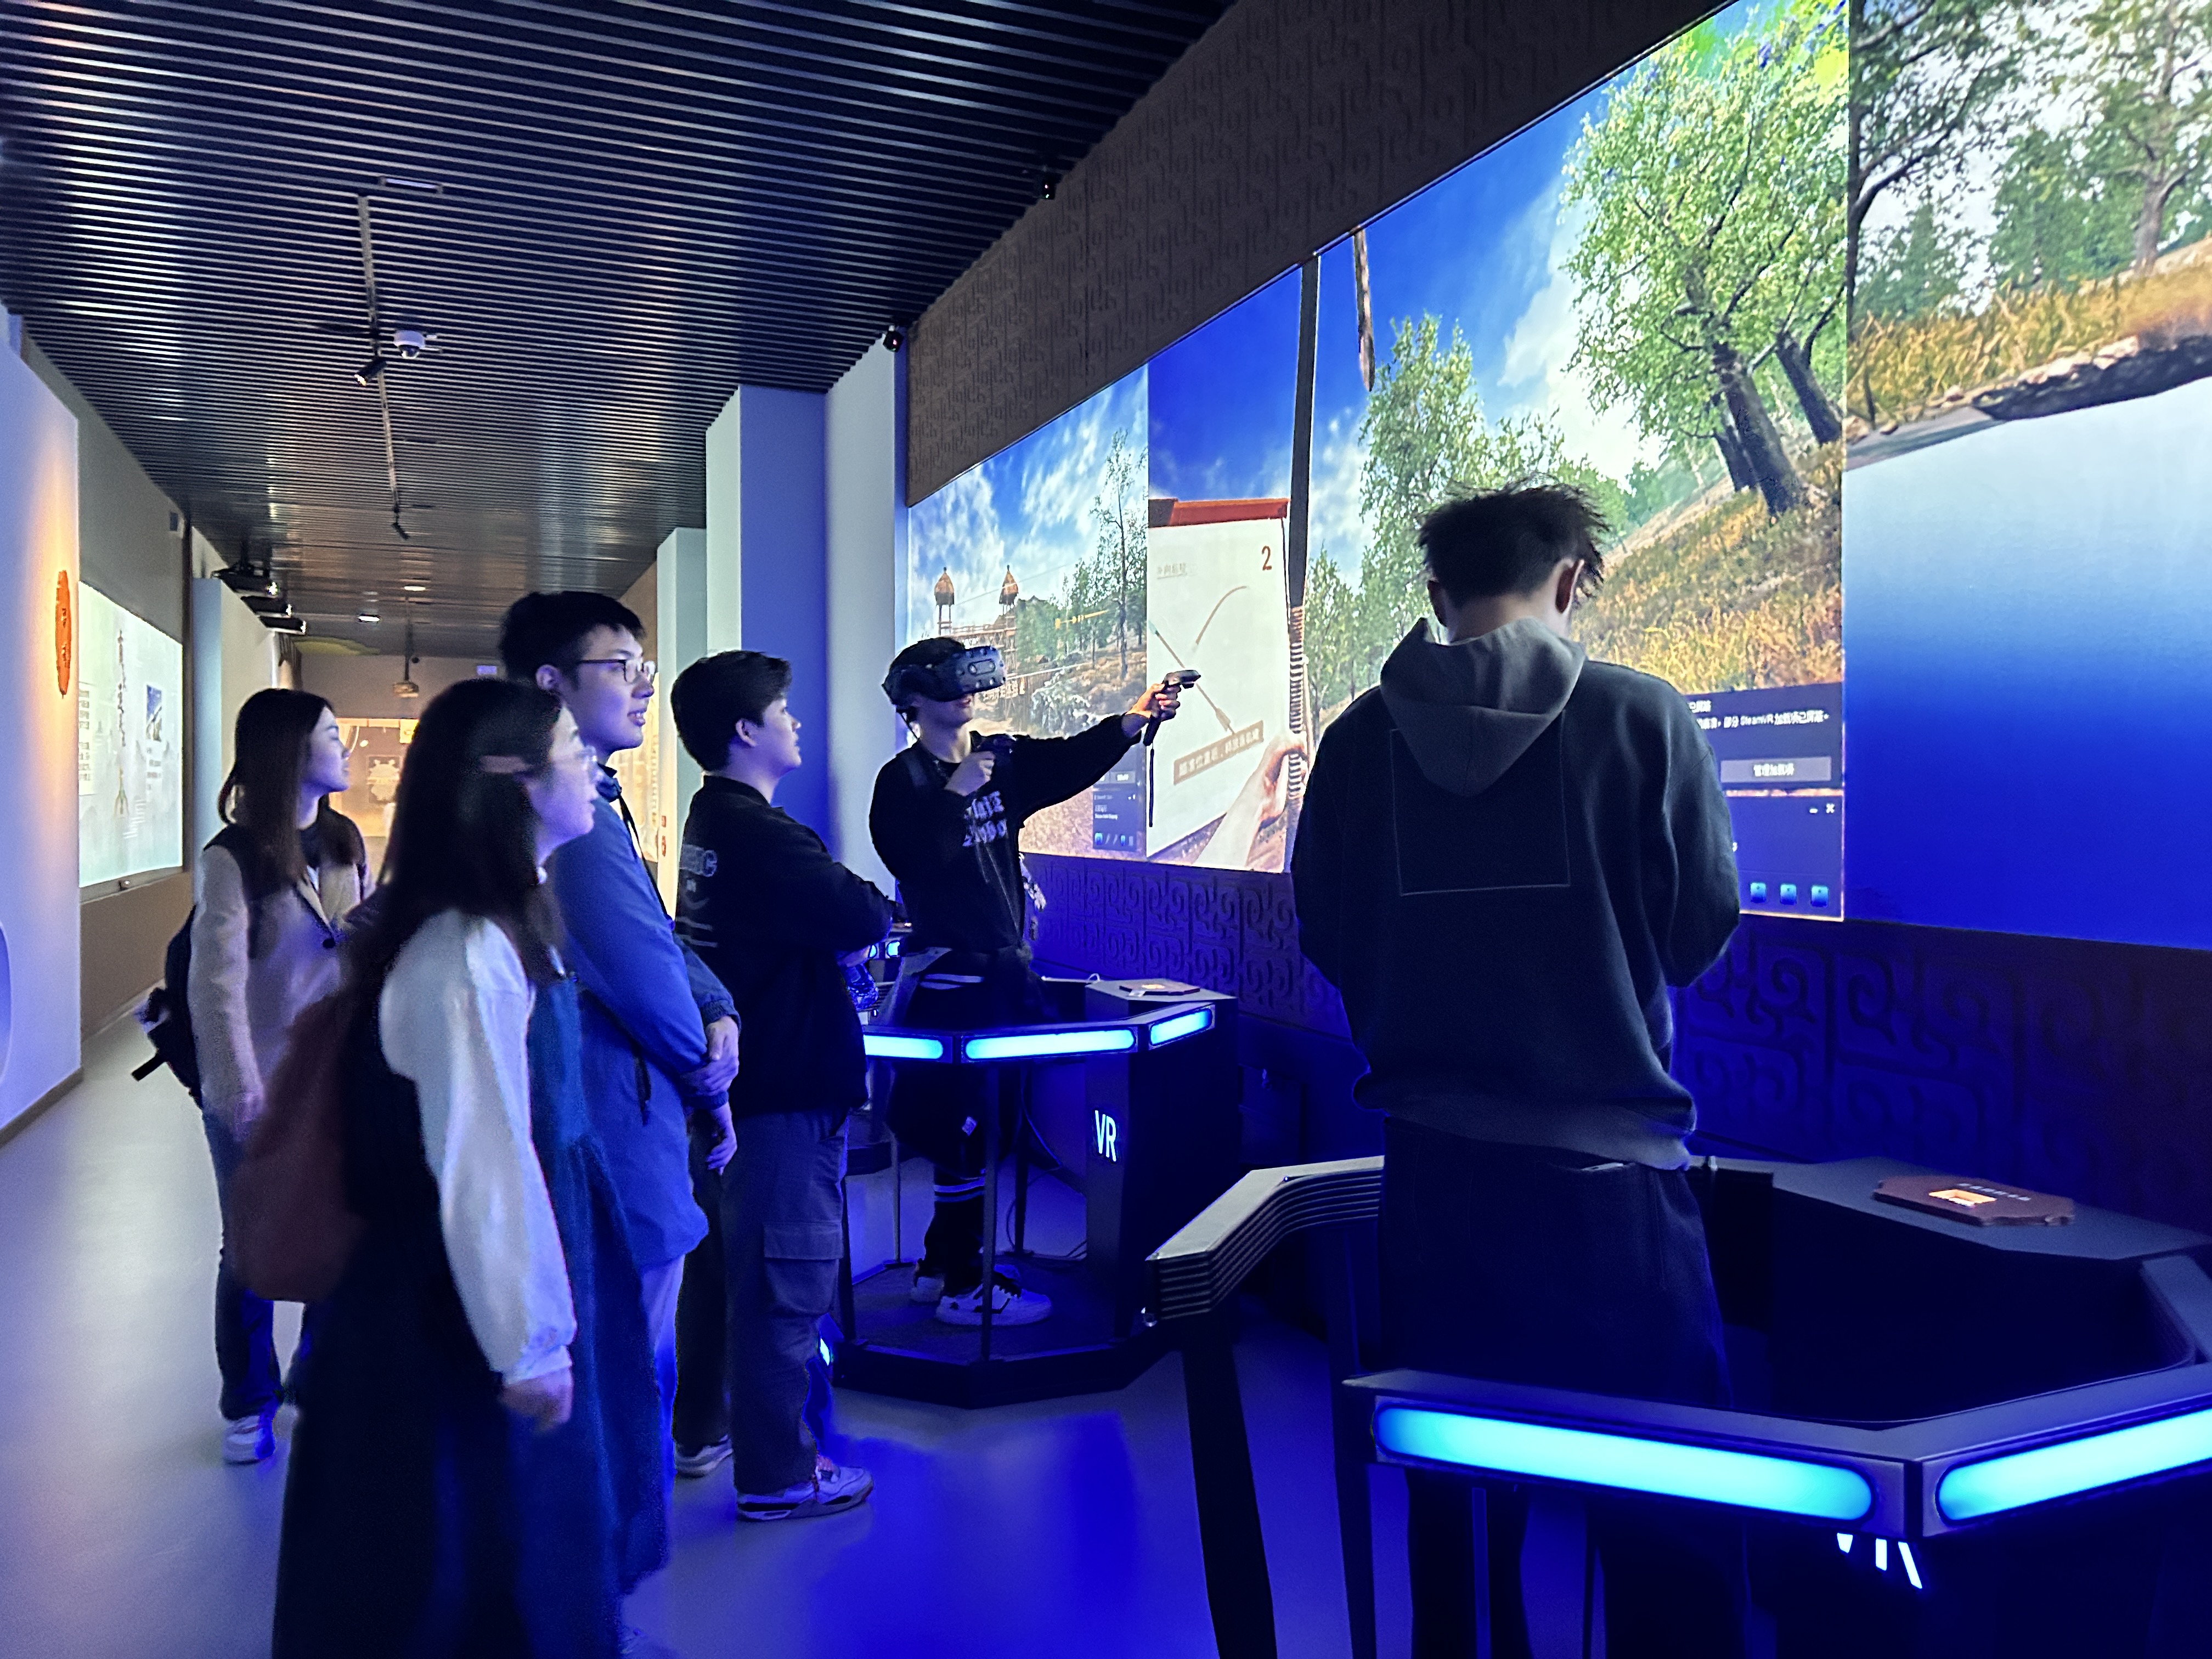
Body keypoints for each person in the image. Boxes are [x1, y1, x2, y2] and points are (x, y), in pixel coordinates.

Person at [1291, 485, 1743, 1659]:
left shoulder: (1355, 743)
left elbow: (1327, 932)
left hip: (1433, 1188)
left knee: (1452, 1504)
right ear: (1573, 578)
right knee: (1672, 1520)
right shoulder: (1641, 716)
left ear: (1435, 595)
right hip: (1616, 1201)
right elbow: (1698, 928)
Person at [274, 678, 657, 1658]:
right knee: (465, 1552)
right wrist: (528, 1342)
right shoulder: (467, 949)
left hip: (493, 1279)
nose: (594, 770)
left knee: (521, 1536)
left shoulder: (507, 923)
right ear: (515, 781)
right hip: (446, 1311)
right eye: (575, 750)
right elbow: (481, 1157)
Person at [868, 639, 1182, 1325]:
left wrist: (1134, 719)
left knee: (983, 1132)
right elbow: (910, 860)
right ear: (913, 698)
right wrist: (957, 795)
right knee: (963, 1133)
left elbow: (1067, 761)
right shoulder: (903, 782)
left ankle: (939, 1266)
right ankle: (965, 1286)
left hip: (1003, 982)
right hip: (950, 986)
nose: (965, 692)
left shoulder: (1001, 760)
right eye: (947, 682)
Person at [499, 593, 741, 1487]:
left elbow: (659, 938)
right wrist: (711, 1074)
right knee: (623, 1377)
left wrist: (718, 1005)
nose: (644, 685)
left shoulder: (596, 803)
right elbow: (643, 974)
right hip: (616, 1128)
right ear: (551, 683)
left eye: (645, 666)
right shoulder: (575, 822)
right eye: (621, 666)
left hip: (620, 1119)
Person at [667, 650, 891, 1519]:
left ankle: (703, 1431)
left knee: (719, 1273)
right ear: (745, 730)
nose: (795, 722)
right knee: (781, 1283)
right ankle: (780, 1476)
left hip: (734, 1095)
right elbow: (864, 911)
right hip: (783, 1097)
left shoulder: (711, 821)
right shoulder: (763, 834)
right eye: (783, 709)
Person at [188, 688, 370, 1464]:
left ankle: (313, 1378)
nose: (343, 745)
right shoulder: (233, 858)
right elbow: (215, 985)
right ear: (291, 752)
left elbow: (361, 950)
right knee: (249, 1244)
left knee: (341, 1229)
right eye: (331, 734)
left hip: (335, 1077)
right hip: (257, 1080)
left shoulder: (343, 840)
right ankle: (248, 1401)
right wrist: (237, 1091)